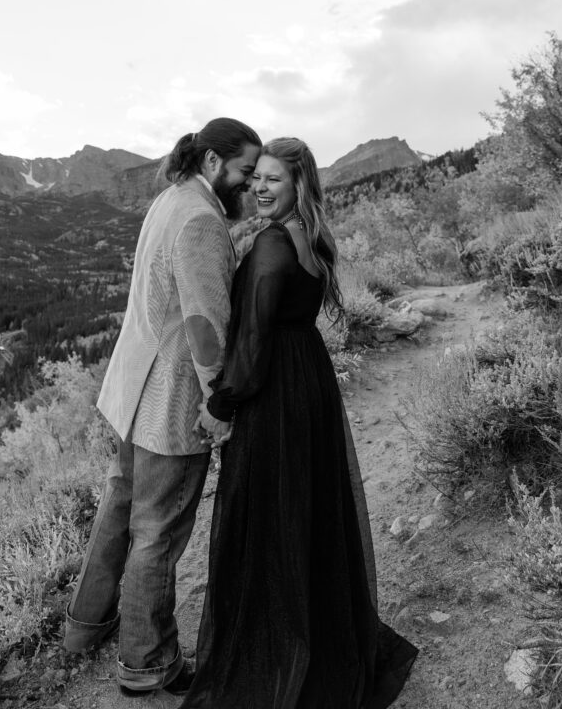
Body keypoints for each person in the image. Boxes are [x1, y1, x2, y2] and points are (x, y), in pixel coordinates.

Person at [180, 138, 418, 709]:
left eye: (273, 181)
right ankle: (317, 633)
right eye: (255, 177)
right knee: (305, 511)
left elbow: (255, 339)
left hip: (276, 392)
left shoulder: (269, 245)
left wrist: (219, 404)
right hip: (307, 378)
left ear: (298, 187)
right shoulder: (307, 238)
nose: (259, 188)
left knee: (267, 515)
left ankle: (273, 652)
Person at [63, 117, 261, 698]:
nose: (248, 185)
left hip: (131, 393)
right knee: (157, 534)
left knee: (118, 512)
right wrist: (217, 403)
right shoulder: (202, 220)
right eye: (244, 172)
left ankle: (85, 627)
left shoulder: (169, 200)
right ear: (212, 164)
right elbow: (204, 327)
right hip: (170, 404)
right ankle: (147, 663)